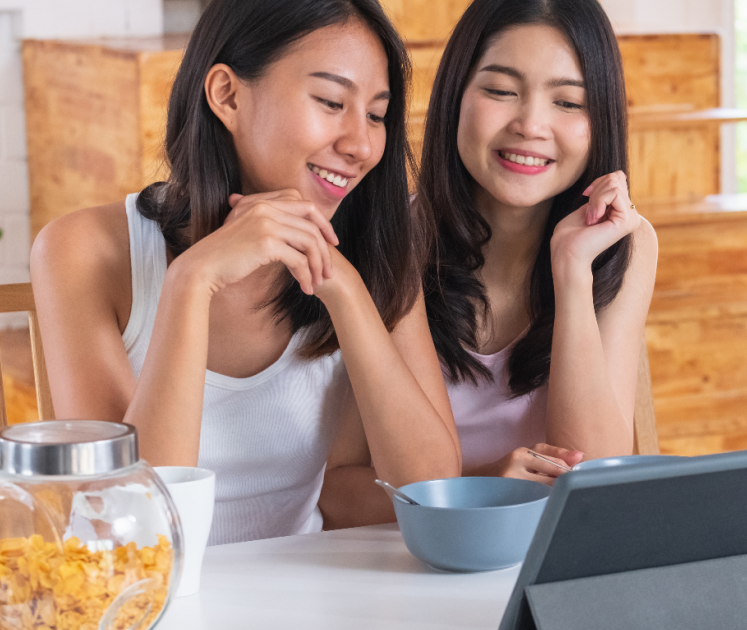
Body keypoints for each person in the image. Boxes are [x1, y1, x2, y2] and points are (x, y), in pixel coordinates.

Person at [29, 0, 459, 544]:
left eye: (376, 114)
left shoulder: (372, 252)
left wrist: (347, 291)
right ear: (227, 95)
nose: (362, 145)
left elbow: (433, 491)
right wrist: (191, 282)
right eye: (331, 102)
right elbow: (130, 519)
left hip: (304, 598)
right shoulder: (82, 251)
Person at [419, 0, 658, 485]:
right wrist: (483, 484)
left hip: (553, 553)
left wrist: (572, 269)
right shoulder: (397, 237)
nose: (530, 125)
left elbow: (593, 475)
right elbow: (341, 492)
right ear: (455, 97)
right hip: (410, 550)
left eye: (568, 102)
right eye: (502, 90)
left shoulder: (624, 244)